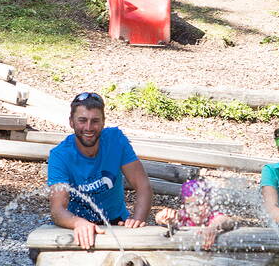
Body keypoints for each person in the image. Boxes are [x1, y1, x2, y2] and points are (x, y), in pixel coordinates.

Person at [48, 92, 153, 249]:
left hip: (116, 222)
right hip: (75, 223)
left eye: (95, 121)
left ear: (103, 123)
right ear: (71, 122)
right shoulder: (60, 155)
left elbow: (143, 186)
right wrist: (78, 223)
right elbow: (57, 210)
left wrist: (137, 222)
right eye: (82, 120)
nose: (89, 127)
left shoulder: (116, 140)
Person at [155, 178, 235, 249]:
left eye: (199, 204)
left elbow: (226, 220)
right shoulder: (184, 216)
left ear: (209, 203)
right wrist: (163, 216)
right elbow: (158, 218)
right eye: (189, 204)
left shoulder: (211, 216)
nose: (195, 210)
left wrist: (213, 227)